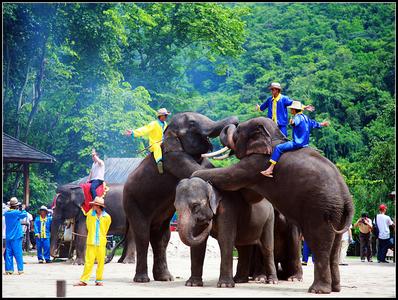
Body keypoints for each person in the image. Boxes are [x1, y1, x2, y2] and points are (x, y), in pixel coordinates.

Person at [260, 100, 329, 177]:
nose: (290, 110)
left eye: (291, 109)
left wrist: (292, 122)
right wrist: (323, 124)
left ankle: (270, 169)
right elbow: (314, 124)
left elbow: (296, 122)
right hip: (305, 144)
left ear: (294, 110)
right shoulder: (306, 118)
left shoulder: (297, 117)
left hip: (297, 143)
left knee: (278, 148)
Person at [74, 196, 112, 286]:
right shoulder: (90, 215)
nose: (93, 206)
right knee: (88, 262)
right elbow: (88, 226)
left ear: (99, 206)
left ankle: (99, 280)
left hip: (101, 242)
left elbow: (105, 229)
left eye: (94, 205)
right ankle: (84, 280)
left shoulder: (107, 217)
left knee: (101, 262)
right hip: (91, 242)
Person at [124, 108, 171, 174]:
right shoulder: (154, 124)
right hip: (154, 143)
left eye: (166, 115)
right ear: (160, 116)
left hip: (163, 142)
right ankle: (159, 162)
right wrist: (133, 132)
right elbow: (144, 129)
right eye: (165, 115)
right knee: (157, 147)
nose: (166, 117)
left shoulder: (166, 124)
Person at [3, 197, 27, 275]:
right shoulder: (16, 213)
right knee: (18, 253)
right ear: (16, 205)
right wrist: (23, 208)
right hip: (16, 236)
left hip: (8, 236)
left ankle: (9, 270)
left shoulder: (6, 213)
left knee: (8, 253)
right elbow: (24, 214)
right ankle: (20, 270)